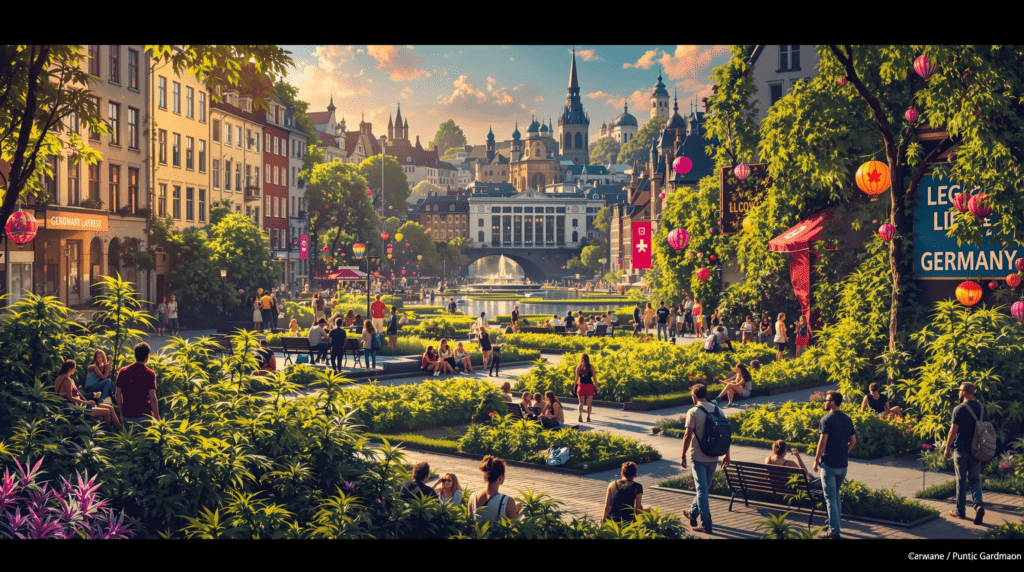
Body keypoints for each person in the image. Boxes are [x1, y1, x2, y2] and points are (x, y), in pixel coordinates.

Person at [680, 383, 731, 534]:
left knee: (702, 491)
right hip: (714, 456)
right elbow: (725, 434)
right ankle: (693, 513)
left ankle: (707, 524)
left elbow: (687, 435)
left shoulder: (693, 411)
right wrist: (727, 455)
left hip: (698, 456)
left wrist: (682, 455)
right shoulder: (718, 409)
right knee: (704, 489)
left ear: (694, 396)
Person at [813, 390, 857, 539]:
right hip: (843, 465)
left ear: (832, 402)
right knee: (836, 496)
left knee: (830, 499)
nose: (824, 402)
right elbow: (853, 441)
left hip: (829, 465)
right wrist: (846, 452)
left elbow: (822, 442)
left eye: (826, 399)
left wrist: (816, 460)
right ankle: (835, 525)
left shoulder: (826, 419)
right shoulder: (847, 419)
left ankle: (834, 532)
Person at [943, 381, 987, 525]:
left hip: (961, 450)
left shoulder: (959, 409)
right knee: (975, 480)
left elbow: (952, 431)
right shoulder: (982, 408)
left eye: (960, 389)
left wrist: (947, 448)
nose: (958, 392)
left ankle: (960, 512)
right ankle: (978, 505)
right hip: (976, 450)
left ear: (965, 392)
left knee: (961, 481)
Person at [55, 359, 121, 429]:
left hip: (81, 404)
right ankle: (107, 431)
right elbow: (70, 398)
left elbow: (78, 393)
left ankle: (118, 429)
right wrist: (86, 402)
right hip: (74, 409)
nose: (75, 370)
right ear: (69, 368)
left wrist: (87, 402)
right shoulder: (66, 380)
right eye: (74, 368)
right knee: (107, 412)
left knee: (110, 408)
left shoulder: (68, 379)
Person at [115, 342, 160, 427]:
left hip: (127, 415)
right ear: (147, 357)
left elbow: (118, 395)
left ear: (135, 355)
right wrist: (157, 417)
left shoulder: (123, 371)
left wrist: (121, 413)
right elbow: (153, 398)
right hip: (144, 415)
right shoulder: (150, 373)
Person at [469, 456, 519, 521]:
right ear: (501, 477)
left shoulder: (473, 497)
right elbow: (516, 526)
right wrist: (518, 513)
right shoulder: (507, 501)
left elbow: (469, 522)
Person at [574, 354, 599, 423]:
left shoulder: (578, 367)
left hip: (581, 385)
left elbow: (576, 378)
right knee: (589, 403)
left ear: (581, 359)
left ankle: (580, 415)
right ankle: (588, 417)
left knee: (581, 402)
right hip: (589, 386)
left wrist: (574, 386)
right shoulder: (591, 367)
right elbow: (594, 378)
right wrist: (597, 386)